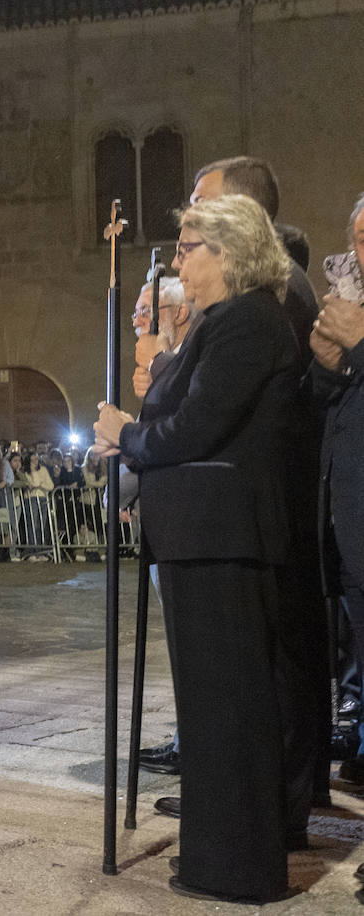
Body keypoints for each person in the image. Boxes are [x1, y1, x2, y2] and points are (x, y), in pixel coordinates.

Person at [93, 194, 298, 904]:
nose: (178, 262)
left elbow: (196, 428)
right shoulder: (221, 325)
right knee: (209, 711)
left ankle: (236, 864)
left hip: (224, 539)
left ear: (229, 253)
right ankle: (216, 856)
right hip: (202, 539)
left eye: (187, 248)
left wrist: (127, 435)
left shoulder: (247, 322)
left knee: (229, 710)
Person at [186, 155, 329, 842]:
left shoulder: (276, 294)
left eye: (202, 205)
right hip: (273, 504)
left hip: (277, 506)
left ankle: (280, 804)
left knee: (284, 663)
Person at [311, 194, 364, 786]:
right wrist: (326, 364)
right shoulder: (350, 308)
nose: (358, 254)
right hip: (348, 530)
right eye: (357, 241)